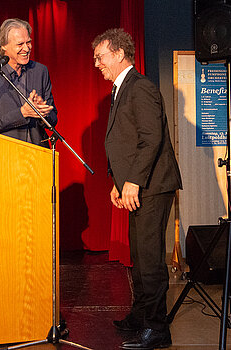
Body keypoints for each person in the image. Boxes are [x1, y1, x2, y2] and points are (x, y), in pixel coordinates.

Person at [92, 28, 182, 350]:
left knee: (150, 259)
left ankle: (157, 329)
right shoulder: (121, 89)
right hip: (136, 187)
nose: (97, 63)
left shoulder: (140, 87)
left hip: (152, 186)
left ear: (118, 53)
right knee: (139, 257)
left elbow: (151, 138)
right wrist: (118, 182)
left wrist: (133, 181)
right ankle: (141, 315)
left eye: (100, 56)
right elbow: (124, 141)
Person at [0, 18, 57, 148]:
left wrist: (43, 113)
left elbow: (53, 119)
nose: (26, 48)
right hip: (6, 153)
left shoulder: (40, 71)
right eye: (20, 44)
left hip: (39, 153)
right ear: (4, 46)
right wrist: (23, 113)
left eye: (29, 42)